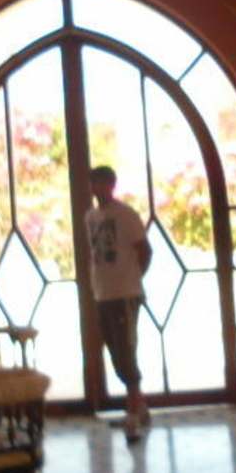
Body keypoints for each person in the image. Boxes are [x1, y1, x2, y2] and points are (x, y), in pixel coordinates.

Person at [85, 165, 153, 443]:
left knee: (126, 351)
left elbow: (145, 250)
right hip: (102, 294)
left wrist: (133, 279)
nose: (97, 188)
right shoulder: (90, 217)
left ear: (112, 185)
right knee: (115, 353)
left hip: (125, 294)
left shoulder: (126, 215)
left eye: (102, 183)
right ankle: (141, 406)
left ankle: (132, 414)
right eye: (94, 183)